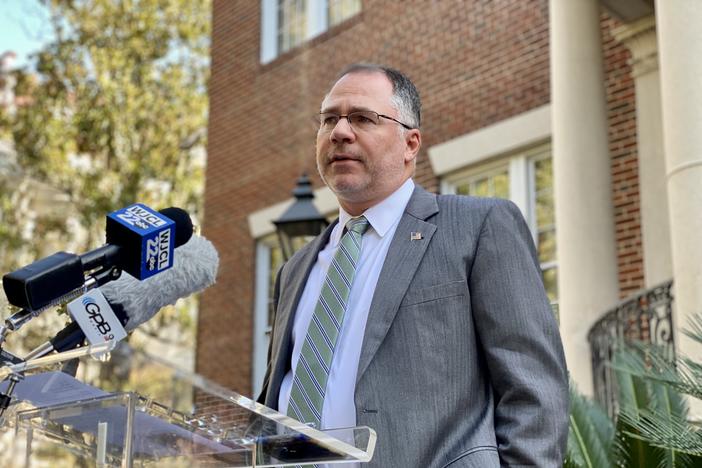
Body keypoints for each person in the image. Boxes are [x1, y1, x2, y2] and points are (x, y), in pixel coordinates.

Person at [258, 63, 568, 467]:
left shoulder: (478, 227)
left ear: (411, 143)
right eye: (329, 119)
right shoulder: (296, 268)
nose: (339, 131)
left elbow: (535, 391)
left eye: (363, 118)